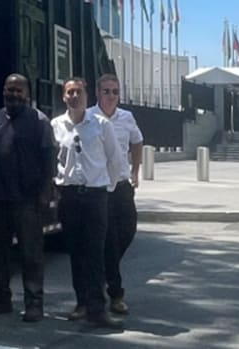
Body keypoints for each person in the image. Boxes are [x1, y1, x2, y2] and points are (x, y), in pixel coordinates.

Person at [51, 77, 125, 330]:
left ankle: (97, 309)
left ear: (87, 95)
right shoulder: (56, 125)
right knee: (75, 252)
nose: (74, 96)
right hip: (70, 196)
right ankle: (81, 302)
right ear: (64, 97)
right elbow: (54, 160)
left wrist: (107, 188)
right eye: (69, 92)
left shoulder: (101, 124)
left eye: (78, 92)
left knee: (95, 253)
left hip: (95, 197)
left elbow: (116, 161)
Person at [0, 73, 55, 323]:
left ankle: (34, 304)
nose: (13, 94)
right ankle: (1, 299)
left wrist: (45, 193)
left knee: (31, 255)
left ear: (27, 94)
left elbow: (48, 160)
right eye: (9, 89)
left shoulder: (39, 121)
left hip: (28, 199)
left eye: (18, 90)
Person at [89, 73, 144, 315]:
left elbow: (137, 142)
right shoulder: (89, 117)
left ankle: (103, 271)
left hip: (121, 185)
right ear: (97, 93)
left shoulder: (126, 117)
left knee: (128, 229)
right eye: (106, 91)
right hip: (100, 186)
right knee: (109, 240)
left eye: (115, 92)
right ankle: (116, 295)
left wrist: (135, 171)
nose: (111, 96)